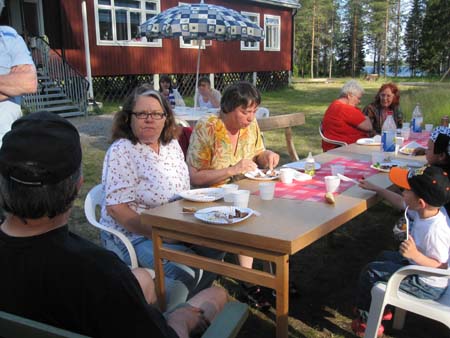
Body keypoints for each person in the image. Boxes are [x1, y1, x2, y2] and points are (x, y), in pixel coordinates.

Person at [0, 111, 228, 338]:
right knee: (217, 296)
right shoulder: (98, 273)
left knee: (142, 277)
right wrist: (180, 321)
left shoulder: (97, 274)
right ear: (78, 185)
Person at [100, 85, 224, 297]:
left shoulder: (171, 145)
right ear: (129, 118)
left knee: (217, 247)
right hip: (134, 234)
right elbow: (117, 210)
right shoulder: (122, 150)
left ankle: (190, 302)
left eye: (157, 114)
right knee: (186, 270)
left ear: (166, 118)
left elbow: (184, 191)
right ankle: (171, 318)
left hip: (175, 226)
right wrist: (161, 235)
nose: (150, 119)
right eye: (142, 114)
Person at [187, 81, 279, 309]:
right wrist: (232, 169)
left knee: (275, 209)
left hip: (243, 189)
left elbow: (257, 153)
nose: (250, 117)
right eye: (245, 111)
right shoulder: (207, 126)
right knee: (246, 218)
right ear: (227, 107)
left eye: (254, 111)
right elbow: (193, 177)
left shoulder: (251, 126)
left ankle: (273, 277)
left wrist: (267, 155)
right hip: (211, 196)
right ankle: (249, 282)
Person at [353, 165, 450, 337]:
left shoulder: (435, 231)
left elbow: (442, 267)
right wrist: (377, 189)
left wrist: (416, 255)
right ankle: (382, 305)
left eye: (406, 190)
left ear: (420, 202)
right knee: (384, 256)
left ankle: (366, 321)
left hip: (426, 284)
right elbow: (400, 202)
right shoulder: (427, 210)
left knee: (370, 272)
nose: (403, 192)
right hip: (418, 270)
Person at [0, 0, 37, 147]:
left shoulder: (9, 38)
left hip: (5, 144)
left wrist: (19, 82)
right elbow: (19, 83)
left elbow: (28, 82)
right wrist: (9, 82)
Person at [321, 80, 373, 152]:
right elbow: (368, 127)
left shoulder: (334, 105)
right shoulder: (345, 109)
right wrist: (366, 117)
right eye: (358, 98)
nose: (359, 101)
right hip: (344, 149)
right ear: (350, 95)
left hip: (335, 146)